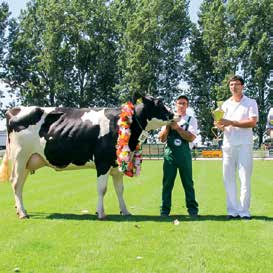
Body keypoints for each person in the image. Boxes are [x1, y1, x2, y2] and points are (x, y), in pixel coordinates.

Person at [215, 75, 258, 220]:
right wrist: (219, 125)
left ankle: (244, 212)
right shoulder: (225, 104)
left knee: (244, 178)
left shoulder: (251, 102)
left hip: (244, 145)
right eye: (231, 85)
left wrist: (231, 122)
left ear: (242, 86)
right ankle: (232, 211)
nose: (234, 87)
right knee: (228, 179)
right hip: (228, 145)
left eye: (237, 84)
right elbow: (223, 125)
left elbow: (252, 122)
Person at [159, 95, 199, 217]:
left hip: (184, 154)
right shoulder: (168, 118)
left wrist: (177, 128)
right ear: (175, 105)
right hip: (170, 154)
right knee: (167, 184)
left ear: (187, 105)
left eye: (184, 103)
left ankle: (192, 210)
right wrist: (167, 126)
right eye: (179, 103)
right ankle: (164, 210)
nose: (181, 105)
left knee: (188, 183)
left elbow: (191, 137)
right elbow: (162, 139)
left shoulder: (191, 119)